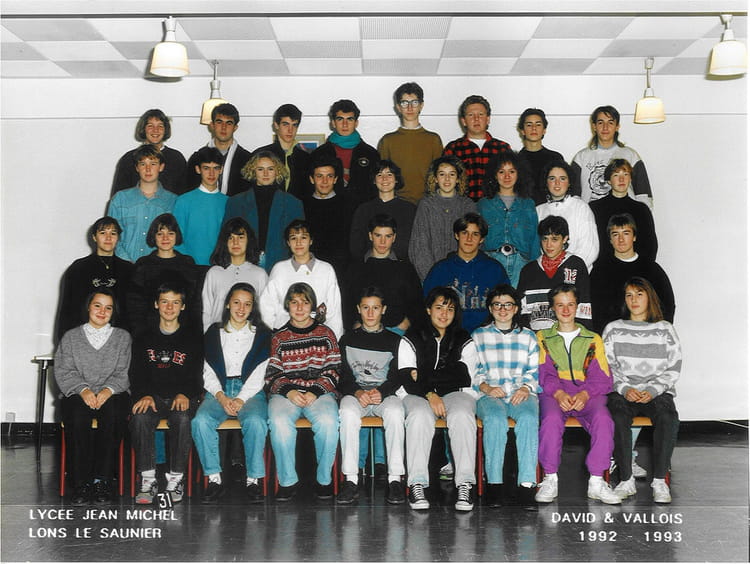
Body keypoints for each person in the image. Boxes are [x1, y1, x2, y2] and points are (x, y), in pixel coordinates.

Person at [534, 284, 621, 505]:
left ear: (577, 306)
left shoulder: (592, 338)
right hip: (555, 394)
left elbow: (603, 378)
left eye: (570, 304)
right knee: (550, 420)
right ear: (552, 308)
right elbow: (543, 373)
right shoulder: (543, 338)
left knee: (603, 419)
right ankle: (550, 478)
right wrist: (558, 393)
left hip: (588, 393)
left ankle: (597, 480)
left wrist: (584, 394)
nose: (565, 310)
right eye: (560, 305)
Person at [398, 287, 479, 511]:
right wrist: (430, 392)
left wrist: (424, 376)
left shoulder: (463, 338)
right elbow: (406, 378)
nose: (444, 314)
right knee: (419, 415)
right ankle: (417, 483)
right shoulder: (412, 337)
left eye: (450, 309)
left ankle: (465, 484)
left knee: (462, 414)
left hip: (455, 393)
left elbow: (464, 376)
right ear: (428, 309)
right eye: (439, 307)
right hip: (416, 394)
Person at [192, 283, 273, 504]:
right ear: (228, 303)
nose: (241, 308)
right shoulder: (213, 332)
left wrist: (240, 399)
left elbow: (260, 373)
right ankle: (214, 479)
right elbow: (207, 370)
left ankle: (253, 480)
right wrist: (221, 396)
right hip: (218, 389)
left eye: (247, 304)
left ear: (253, 307)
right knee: (200, 421)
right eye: (236, 302)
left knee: (256, 421)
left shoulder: (263, 334)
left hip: (250, 391)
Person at [604, 277, 681, 504]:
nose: (634, 300)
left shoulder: (665, 329)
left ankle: (659, 480)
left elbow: (674, 367)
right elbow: (607, 367)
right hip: (623, 391)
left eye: (639, 294)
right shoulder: (613, 329)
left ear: (649, 298)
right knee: (617, 416)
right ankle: (625, 480)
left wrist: (653, 390)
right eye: (629, 295)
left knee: (668, 417)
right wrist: (624, 388)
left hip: (656, 391)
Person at [265, 283, 342, 501]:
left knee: (328, 421)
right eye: (294, 302)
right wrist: (289, 391)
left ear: (313, 306)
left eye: (305, 302)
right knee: (279, 421)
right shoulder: (278, 337)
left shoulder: (326, 334)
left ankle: (323, 479)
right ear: (287, 305)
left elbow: (334, 370)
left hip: (319, 392)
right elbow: (272, 373)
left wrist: (315, 391)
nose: (299, 308)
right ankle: (287, 481)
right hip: (286, 393)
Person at [54, 289, 131, 505]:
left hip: (113, 392)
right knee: (78, 416)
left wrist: (107, 390)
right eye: (97, 305)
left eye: (108, 307)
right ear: (88, 307)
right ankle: (81, 482)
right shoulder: (70, 337)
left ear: (113, 312)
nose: (102, 311)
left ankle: (102, 481)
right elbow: (64, 370)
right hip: (78, 392)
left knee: (113, 414)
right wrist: (83, 390)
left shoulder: (123, 337)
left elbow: (124, 371)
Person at [129, 282, 203, 505]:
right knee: (140, 417)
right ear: (156, 304)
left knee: (181, 418)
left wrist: (185, 393)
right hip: (153, 397)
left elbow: (198, 374)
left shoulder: (193, 337)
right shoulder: (143, 337)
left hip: (182, 397)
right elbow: (136, 373)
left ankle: (176, 479)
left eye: (175, 302)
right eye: (164, 302)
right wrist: (144, 394)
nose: (169, 307)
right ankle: (148, 479)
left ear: (183, 306)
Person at [336, 286, 406, 505]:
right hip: (357, 394)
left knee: (395, 412)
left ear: (383, 310)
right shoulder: (347, 339)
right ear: (358, 309)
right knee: (347, 412)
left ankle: (395, 479)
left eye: (375, 308)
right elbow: (341, 375)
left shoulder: (395, 341)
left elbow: (398, 375)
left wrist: (382, 392)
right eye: (365, 307)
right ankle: (351, 479)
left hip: (383, 394)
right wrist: (357, 391)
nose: (370, 313)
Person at [471, 284, 539, 509]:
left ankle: (527, 485)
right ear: (490, 308)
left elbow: (535, 370)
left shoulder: (528, 336)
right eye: (497, 305)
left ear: (516, 308)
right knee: (495, 420)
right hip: (489, 394)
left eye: (508, 304)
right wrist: (486, 387)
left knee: (528, 418)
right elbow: (472, 370)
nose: (503, 309)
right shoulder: (478, 336)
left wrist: (526, 388)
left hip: (520, 393)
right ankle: (494, 484)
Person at [423, 213, 510, 333]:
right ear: (456, 235)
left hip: (486, 335)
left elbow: (506, 305)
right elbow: (427, 306)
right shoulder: (440, 269)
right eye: (464, 233)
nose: (469, 239)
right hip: (450, 335)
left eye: (475, 234)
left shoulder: (495, 269)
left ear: (482, 239)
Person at [590, 213, 675, 334]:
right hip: (612, 339)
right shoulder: (600, 271)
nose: (621, 239)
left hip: (648, 337)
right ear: (610, 240)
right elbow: (594, 311)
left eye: (626, 233)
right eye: (615, 234)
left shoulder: (652, 269)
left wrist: (655, 335)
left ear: (634, 237)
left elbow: (668, 306)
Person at [260, 219, 343, 338]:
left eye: (303, 237)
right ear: (288, 242)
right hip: (286, 336)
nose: (298, 243)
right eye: (293, 238)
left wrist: (334, 339)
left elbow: (334, 311)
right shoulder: (279, 269)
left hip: (318, 337)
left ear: (311, 240)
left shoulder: (326, 269)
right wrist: (279, 331)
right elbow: (266, 306)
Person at [55, 216, 133, 344]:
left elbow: (133, 311)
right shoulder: (78, 268)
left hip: (118, 341)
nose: (108, 238)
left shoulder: (129, 270)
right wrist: (65, 342)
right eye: (103, 233)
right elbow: (67, 309)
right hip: (84, 340)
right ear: (94, 237)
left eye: (113, 233)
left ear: (118, 238)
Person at [223, 150, 304, 272]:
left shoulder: (293, 203)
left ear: (277, 171)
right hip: (244, 264)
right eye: (260, 169)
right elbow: (226, 238)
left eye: (270, 169)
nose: (266, 173)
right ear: (253, 171)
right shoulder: (236, 202)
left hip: (281, 265)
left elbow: (300, 241)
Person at [343, 214, 423, 334]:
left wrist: (409, 322)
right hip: (364, 331)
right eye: (378, 235)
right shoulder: (356, 268)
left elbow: (417, 304)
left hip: (397, 330)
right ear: (370, 236)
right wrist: (353, 325)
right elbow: (347, 303)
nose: (383, 241)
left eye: (388, 236)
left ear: (394, 237)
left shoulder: (405, 269)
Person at [126, 213, 201, 332]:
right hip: (149, 330)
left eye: (170, 233)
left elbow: (194, 303)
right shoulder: (143, 264)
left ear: (176, 236)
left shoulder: (187, 263)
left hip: (182, 329)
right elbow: (134, 304)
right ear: (154, 236)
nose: (165, 238)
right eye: (160, 234)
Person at [517, 216, 591, 331]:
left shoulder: (576, 265)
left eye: (554, 239)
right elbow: (521, 310)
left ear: (565, 239)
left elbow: (584, 307)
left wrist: (581, 336)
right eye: (545, 239)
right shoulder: (528, 270)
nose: (549, 245)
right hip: (535, 336)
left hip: (567, 334)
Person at [477, 152, 540, 286]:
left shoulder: (528, 204)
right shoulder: (483, 205)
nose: (507, 176)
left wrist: (535, 269)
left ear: (519, 174)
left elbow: (535, 239)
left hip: (521, 264)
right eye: (501, 172)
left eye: (512, 171)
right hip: (490, 263)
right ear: (495, 175)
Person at [409, 156, 477, 280]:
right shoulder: (426, 205)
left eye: (452, 174)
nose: (447, 179)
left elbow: (474, 244)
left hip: (462, 276)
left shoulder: (467, 205)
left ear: (458, 179)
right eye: (442, 174)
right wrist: (432, 277)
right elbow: (419, 246)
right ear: (435, 178)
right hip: (431, 275)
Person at [571, 105, 653, 206]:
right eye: (600, 122)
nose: (605, 127)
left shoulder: (631, 156)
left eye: (610, 122)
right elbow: (574, 197)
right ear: (594, 126)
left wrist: (643, 213)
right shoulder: (581, 158)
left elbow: (643, 194)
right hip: (591, 213)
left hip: (625, 212)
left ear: (617, 127)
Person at [108, 144, 177, 263]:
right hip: (124, 266)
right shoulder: (120, 199)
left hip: (158, 267)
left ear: (161, 167)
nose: (148, 169)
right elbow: (111, 236)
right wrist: (127, 262)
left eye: (153, 164)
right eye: (143, 164)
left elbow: (175, 239)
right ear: (137, 167)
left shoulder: (173, 201)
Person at [377, 82, 443, 204]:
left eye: (414, 102)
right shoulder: (388, 141)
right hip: (397, 203)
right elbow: (382, 176)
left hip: (427, 203)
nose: (410, 108)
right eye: (404, 103)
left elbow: (439, 176)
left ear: (421, 105)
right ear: (398, 107)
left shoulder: (433, 140)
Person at [202, 217, 268, 332]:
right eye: (231, 238)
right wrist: (208, 335)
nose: (235, 242)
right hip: (218, 334)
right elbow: (206, 310)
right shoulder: (214, 273)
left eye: (240, 237)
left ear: (249, 240)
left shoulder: (260, 274)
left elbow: (266, 311)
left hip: (250, 335)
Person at [310, 99, 380, 205]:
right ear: (333, 123)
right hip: (328, 208)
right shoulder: (319, 154)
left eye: (350, 119)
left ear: (356, 123)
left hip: (362, 210)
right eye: (340, 119)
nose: (345, 124)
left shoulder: (371, 154)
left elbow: (376, 190)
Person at [443, 95, 512, 201]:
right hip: (462, 207)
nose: (476, 119)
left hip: (496, 206)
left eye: (481, 114)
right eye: (471, 115)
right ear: (463, 121)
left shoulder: (502, 149)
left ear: (488, 119)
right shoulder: (453, 149)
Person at [590, 158, 658, 262]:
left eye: (626, 174)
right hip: (603, 266)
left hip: (635, 267)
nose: (621, 179)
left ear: (630, 179)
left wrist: (642, 267)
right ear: (608, 180)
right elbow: (591, 242)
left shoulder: (641, 209)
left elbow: (650, 245)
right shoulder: (595, 208)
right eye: (616, 175)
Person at [536, 161, 599, 271]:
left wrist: (567, 271)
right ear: (546, 182)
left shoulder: (581, 207)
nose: (557, 183)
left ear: (569, 182)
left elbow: (590, 248)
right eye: (552, 178)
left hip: (575, 274)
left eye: (562, 178)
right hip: (545, 274)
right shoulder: (538, 211)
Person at [349, 159, 416, 263]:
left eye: (389, 174)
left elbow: (416, 243)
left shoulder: (410, 209)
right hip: (369, 264)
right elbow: (356, 244)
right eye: (379, 175)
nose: (385, 179)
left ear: (396, 179)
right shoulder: (363, 209)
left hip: (401, 265)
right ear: (374, 180)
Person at [302, 153, 354, 280]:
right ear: (311, 179)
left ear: (335, 179)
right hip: (309, 269)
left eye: (329, 176)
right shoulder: (301, 205)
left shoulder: (349, 205)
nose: (325, 181)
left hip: (341, 271)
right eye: (319, 176)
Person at [172, 147, 228, 266]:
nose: (211, 173)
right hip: (191, 266)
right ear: (198, 169)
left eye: (215, 168)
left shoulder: (229, 202)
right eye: (206, 168)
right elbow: (176, 238)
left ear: (221, 170)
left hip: (220, 267)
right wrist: (187, 263)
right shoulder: (184, 201)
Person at [111, 108, 186, 196]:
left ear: (165, 130)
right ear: (143, 129)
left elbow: (185, 195)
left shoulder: (177, 158)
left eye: (160, 126)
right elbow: (118, 196)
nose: (155, 130)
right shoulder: (129, 158)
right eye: (150, 126)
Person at [184, 103, 252, 196]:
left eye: (229, 123)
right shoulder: (196, 158)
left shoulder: (247, 160)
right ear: (212, 125)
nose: (224, 127)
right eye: (219, 122)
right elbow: (189, 191)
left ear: (235, 127)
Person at [251, 103, 312, 200]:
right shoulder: (260, 154)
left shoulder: (306, 158)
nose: (290, 130)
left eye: (294, 125)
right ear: (276, 125)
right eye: (285, 124)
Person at [515, 108, 565, 205]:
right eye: (529, 125)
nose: (534, 128)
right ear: (522, 131)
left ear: (544, 130)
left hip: (550, 208)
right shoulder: (515, 160)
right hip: (524, 209)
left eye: (538, 124)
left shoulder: (555, 158)